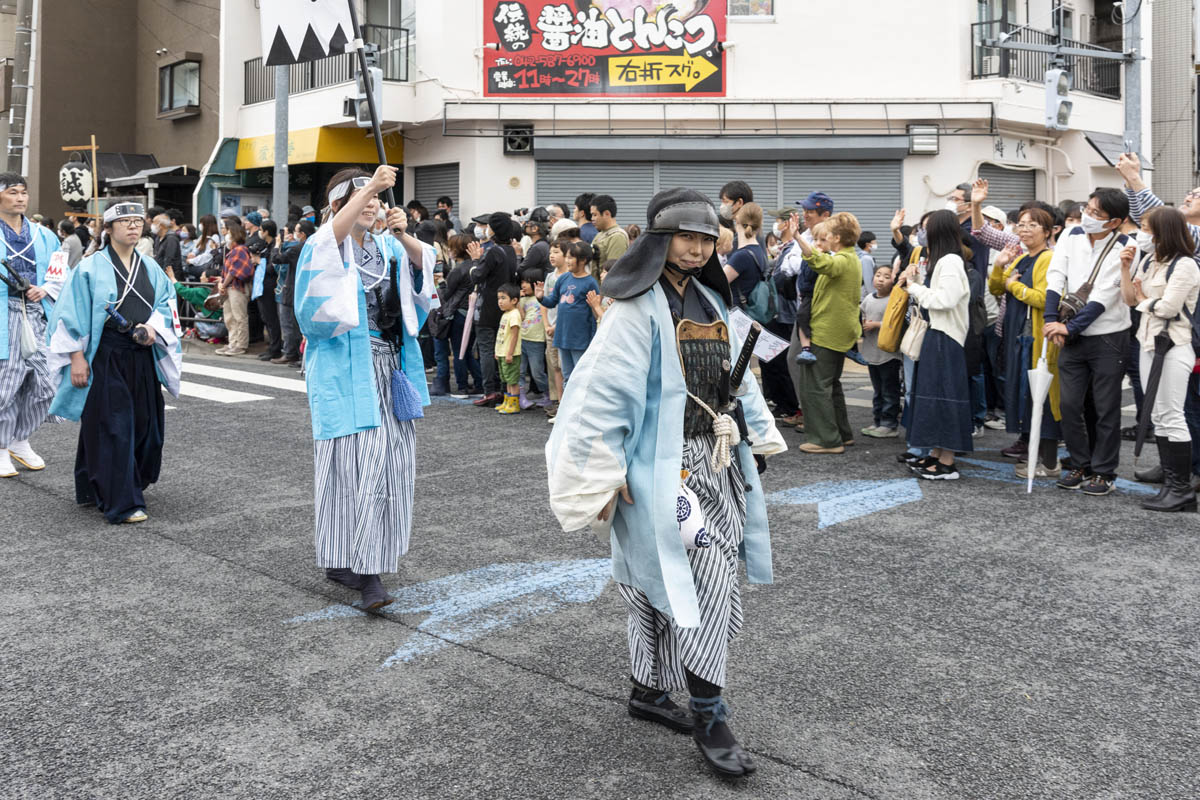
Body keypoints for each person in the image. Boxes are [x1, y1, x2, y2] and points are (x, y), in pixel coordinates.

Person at [546, 188, 786, 779]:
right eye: (687, 236)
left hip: (716, 459)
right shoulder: (635, 306)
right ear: (660, 239)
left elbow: (740, 382)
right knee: (696, 582)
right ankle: (710, 712)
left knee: (677, 581)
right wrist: (604, 471)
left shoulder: (711, 298)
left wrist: (756, 435)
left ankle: (647, 690)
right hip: (659, 467)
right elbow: (600, 394)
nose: (697, 248)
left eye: (707, 238)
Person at [294, 165, 434, 610]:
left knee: (388, 463)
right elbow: (323, 254)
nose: (373, 206)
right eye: (364, 200)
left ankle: (351, 559)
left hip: (388, 369)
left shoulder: (387, 248)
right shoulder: (325, 246)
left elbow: (425, 272)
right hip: (344, 372)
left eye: (377, 200)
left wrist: (404, 234)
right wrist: (369, 186)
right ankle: (364, 570)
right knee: (354, 466)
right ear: (340, 206)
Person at [45, 201, 183, 522]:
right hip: (105, 354)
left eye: (137, 221)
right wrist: (76, 358)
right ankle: (122, 502)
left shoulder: (149, 267)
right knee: (114, 426)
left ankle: (96, 484)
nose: (133, 226)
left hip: (142, 352)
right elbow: (69, 313)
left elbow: (167, 304)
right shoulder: (90, 267)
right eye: (124, 222)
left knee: (147, 427)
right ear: (107, 229)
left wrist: (152, 328)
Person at [1042, 189, 1131, 495]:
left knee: (1107, 407)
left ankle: (1104, 471)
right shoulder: (1071, 233)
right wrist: (1050, 320)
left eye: (1097, 214)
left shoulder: (1126, 245)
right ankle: (1080, 464)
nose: (1088, 216)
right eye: (1087, 209)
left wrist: (1067, 329)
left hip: (1109, 336)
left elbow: (1105, 296)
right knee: (1069, 404)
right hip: (1070, 335)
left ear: (1115, 221)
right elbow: (1056, 276)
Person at [1119, 207, 1200, 511]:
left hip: (1175, 344)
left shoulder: (1186, 265)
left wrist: (1144, 300)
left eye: (1147, 228)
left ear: (1163, 231)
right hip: (1148, 343)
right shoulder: (1151, 261)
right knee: (1158, 415)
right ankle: (1173, 486)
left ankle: (1181, 490)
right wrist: (1126, 269)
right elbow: (1129, 299)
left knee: (1172, 414)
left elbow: (1168, 308)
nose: (1143, 234)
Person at [897, 209, 974, 479]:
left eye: (926, 227)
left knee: (942, 399)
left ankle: (947, 462)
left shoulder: (950, 261)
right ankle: (937, 455)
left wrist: (913, 287)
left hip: (945, 337)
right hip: (939, 335)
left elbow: (944, 300)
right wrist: (917, 281)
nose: (921, 232)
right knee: (935, 398)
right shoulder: (944, 260)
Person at [0, 172, 67, 477]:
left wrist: (46, 289)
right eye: (13, 192)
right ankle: (2, 447)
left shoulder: (45, 235)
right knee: (7, 381)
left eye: (23, 192)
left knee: (46, 382)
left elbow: (58, 271)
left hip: (37, 311)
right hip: (4, 312)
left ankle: (18, 438)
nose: (20, 198)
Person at [989, 209, 1062, 477]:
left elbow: (1045, 299)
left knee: (1042, 396)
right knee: (1027, 397)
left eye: (1033, 225)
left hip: (1038, 341)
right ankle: (1034, 454)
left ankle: (1050, 462)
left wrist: (1014, 287)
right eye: (1021, 225)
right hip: (1020, 338)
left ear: (1048, 231)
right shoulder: (1020, 257)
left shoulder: (1048, 258)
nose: (1025, 229)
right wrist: (999, 266)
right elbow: (996, 288)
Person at [790, 211, 863, 454]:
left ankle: (826, 440)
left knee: (815, 386)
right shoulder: (850, 258)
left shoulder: (842, 260)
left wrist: (798, 239)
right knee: (831, 385)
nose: (824, 238)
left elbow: (822, 263)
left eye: (828, 234)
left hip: (827, 332)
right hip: (838, 332)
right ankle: (842, 434)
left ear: (838, 238)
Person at [469, 212, 519, 407]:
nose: (485, 229)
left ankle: (490, 390)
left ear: (494, 229)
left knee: (487, 348)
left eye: (488, 225)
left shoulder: (493, 252)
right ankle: (503, 389)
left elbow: (477, 276)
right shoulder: (511, 251)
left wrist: (475, 260)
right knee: (500, 347)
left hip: (488, 306)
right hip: (505, 306)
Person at [535, 240, 599, 387]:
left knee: (580, 376)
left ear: (583, 260)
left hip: (581, 337)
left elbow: (595, 311)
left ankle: (579, 408)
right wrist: (541, 298)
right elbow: (552, 302)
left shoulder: (590, 283)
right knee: (567, 376)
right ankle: (567, 408)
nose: (567, 261)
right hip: (563, 335)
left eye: (571, 257)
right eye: (567, 257)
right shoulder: (563, 278)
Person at [860, 263, 902, 438]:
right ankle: (878, 421)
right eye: (878, 275)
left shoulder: (895, 299)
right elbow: (862, 315)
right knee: (878, 390)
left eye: (887, 276)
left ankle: (889, 424)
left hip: (889, 354)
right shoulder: (869, 298)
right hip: (872, 352)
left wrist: (876, 324)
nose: (881, 279)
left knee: (889, 390)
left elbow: (896, 323)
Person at [442, 235, 483, 397]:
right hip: (475, 313)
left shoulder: (458, 270)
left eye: (451, 247)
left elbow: (447, 294)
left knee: (459, 350)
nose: (450, 251)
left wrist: (440, 283)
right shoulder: (476, 267)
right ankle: (480, 383)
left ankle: (462, 387)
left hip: (459, 313)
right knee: (468, 351)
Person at [273, 219, 311, 365]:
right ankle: (300, 355)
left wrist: (277, 245)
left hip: (292, 290)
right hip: (307, 289)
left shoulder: (296, 249)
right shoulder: (313, 246)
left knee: (289, 324)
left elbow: (277, 259)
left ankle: (291, 353)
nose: (294, 234)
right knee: (301, 325)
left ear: (301, 234)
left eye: (295, 231)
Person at [215, 218, 253, 356]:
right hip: (232, 287)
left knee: (239, 317)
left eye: (229, 233)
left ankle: (240, 344)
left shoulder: (239, 250)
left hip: (237, 287)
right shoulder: (237, 250)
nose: (226, 235)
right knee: (230, 317)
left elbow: (233, 271)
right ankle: (233, 343)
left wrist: (223, 284)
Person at [541, 237, 569, 419]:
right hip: (550, 328)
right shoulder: (550, 277)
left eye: (556, 252)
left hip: (565, 329)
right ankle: (560, 404)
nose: (552, 256)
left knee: (566, 367)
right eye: (551, 252)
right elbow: (543, 302)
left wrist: (556, 326)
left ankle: (568, 406)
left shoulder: (570, 277)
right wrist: (546, 325)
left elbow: (570, 306)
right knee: (555, 368)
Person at [722, 202, 766, 307]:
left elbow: (717, 283)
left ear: (737, 220)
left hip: (737, 314)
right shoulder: (758, 251)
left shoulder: (741, 256)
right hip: (749, 314)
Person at [254, 219, 284, 362]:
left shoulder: (274, 247)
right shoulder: (265, 246)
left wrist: (259, 262)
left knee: (272, 318)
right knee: (266, 317)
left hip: (269, 285)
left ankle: (275, 348)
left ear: (266, 231)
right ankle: (272, 346)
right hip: (262, 285)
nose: (259, 232)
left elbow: (272, 268)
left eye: (261, 229)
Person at [518, 272, 549, 409]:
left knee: (537, 372)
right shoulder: (523, 300)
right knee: (520, 370)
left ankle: (548, 394)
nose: (523, 285)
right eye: (522, 282)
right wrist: (518, 302)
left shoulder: (542, 298)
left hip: (536, 340)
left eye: (526, 282)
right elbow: (521, 317)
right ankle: (521, 397)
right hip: (522, 338)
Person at [494, 283, 523, 414]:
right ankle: (507, 401)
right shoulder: (506, 314)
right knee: (506, 379)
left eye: (503, 298)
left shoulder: (514, 314)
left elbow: (514, 335)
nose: (500, 301)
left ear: (514, 300)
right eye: (499, 298)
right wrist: (497, 352)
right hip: (502, 352)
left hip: (510, 353)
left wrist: (510, 353)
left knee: (512, 380)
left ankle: (514, 404)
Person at [589, 194, 630, 276]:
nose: (592, 219)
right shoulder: (600, 235)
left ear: (607, 214)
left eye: (595, 215)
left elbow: (613, 273)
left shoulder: (617, 237)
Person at [151, 212, 182, 281]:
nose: (152, 225)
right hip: (158, 275)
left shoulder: (171, 239)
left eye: (154, 223)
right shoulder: (157, 238)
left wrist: (162, 277)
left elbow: (169, 260)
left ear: (161, 226)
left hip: (169, 278)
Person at [857, 231, 877, 299]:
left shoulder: (860, 256)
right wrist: (873, 296)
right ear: (868, 245)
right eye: (874, 242)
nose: (876, 244)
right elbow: (868, 282)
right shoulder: (866, 259)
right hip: (865, 297)